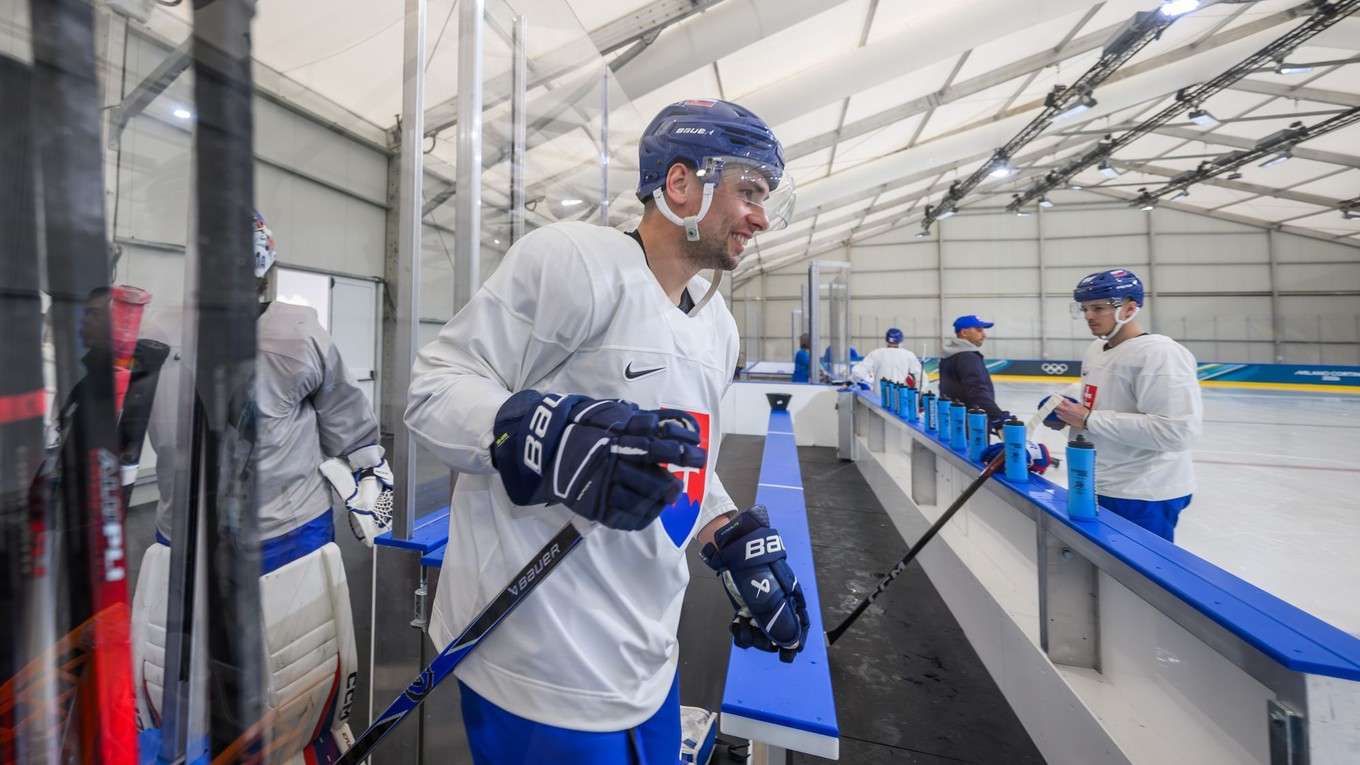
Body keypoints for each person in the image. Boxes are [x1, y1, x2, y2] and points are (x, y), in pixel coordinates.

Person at [405, 98, 811, 765]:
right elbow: (433, 391)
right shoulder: (571, 262)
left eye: (768, 198)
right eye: (749, 193)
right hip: (541, 665)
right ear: (680, 184)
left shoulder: (717, 325)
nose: (762, 218)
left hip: (648, 659)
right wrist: (545, 435)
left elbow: (686, 466)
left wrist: (729, 533)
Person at [131, 210, 394, 760]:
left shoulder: (297, 334)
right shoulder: (161, 334)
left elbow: (351, 428)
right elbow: (124, 430)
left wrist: (371, 481)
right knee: (180, 702)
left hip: (282, 543)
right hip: (193, 544)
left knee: (296, 706)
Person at [1044, 268, 1202, 542]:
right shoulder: (1097, 348)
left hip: (1144, 492)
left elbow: (1176, 432)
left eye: (1098, 308)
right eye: (1084, 308)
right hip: (1100, 483)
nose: (1088, 316)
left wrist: (1089, 419)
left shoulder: (1161, 354)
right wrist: (1064, 406)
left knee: (1138, 579)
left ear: (1129, 309)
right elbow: (1104, 397)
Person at [939, 314, 1007, 428]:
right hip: (973, 423)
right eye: (979, 330)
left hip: (954, 420)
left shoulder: (949, 356)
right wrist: (996, 416)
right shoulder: (968, 357)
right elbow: (976, 389)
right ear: (965, 333)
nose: (984, 335)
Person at [851, 327, 924, 389]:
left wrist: (852, 381)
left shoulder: (876, 353)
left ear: (886, 340)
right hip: (901, 399)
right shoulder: (909, 355)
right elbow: (921, 378)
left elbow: (858, 372)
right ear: (901, 341)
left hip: (878, 400)